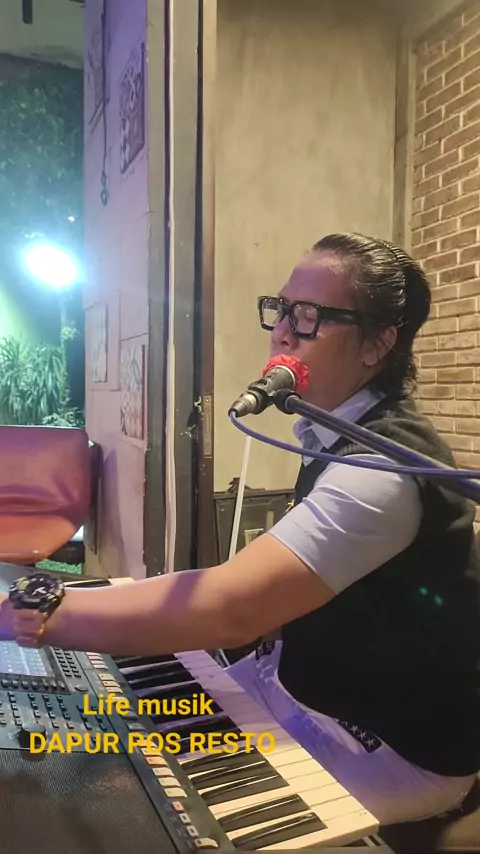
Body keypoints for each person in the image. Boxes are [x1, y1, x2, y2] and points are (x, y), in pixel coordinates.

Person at [1, 232, 480, 826]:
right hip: (300, 685)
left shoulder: (378, 472)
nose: (282, 332)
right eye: (281, 309)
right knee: (85, 743)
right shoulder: (334, 434)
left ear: (379, 343)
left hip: (383, 743)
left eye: (310, 316)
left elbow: (233, 608)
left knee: (120, 794)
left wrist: (31, 614)